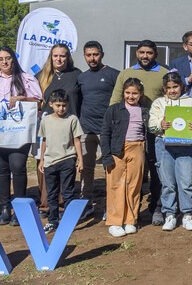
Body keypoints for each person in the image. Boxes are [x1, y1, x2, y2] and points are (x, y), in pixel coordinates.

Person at [111, 40, 169, 224]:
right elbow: (114, 103)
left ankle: (156, 207)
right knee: (129, 174)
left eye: (149, 53)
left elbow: (171, 99)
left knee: (156, 169)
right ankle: (124, 211)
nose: (145, 56)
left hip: (156, 131)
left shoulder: (164, 74)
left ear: (155, 54)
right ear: (137, 53)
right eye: (142, 52)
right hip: (130, 132)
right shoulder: (126, 74)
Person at [0, 45, 42, 226]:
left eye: (8, 58)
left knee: (17, 167)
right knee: (1, 169)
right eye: (0, 59)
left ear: (14, 59)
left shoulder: (26, 78)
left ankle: (19, 208)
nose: (4, 62)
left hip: (19, 131)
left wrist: (22, 98)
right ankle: (4, 208)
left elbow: (39, 102)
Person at [148, 72, 192, 232]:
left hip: (185, 145)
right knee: (167, 183)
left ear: (181, 87)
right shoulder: (158, 103)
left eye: (175, 87)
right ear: (164, 89)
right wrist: (161, 124)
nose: (172, 91)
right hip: (164, 145)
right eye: (169, 88)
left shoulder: (191, 102)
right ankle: (170, 214)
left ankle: (187, 214)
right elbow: (151, 126)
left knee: (186, 181)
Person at [36, 44, 83, 211]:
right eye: (55, 55)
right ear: (51, 57)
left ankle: (65, 204)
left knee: (66, 166)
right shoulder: (41, 76)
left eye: (62, 56)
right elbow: (33, 99)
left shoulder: (76, 75)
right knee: (46, 166)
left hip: (69, 128)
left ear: (68, 57)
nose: (59, 59)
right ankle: (47, 204)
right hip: (48, 128)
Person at [77, 41, 120, 221]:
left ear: (102, 54)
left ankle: (110, 207)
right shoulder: (82, 77)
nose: (92, 58)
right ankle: (86, 205)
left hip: (106, 130)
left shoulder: (113, 74)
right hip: (86, 130)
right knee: (86, 169)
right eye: (88, 55)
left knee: (109, 168)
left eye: (95, 54)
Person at [101, 78, 148, 237]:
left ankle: (130, 219)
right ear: (123, 93)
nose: (131, 96)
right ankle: (115, 221)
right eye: (128, 93)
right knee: (116, 185)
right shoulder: (114, 110)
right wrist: (106, 156)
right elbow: (105, 133)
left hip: (137, 148)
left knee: (134, 185)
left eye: (134, 93)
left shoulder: (144, 111)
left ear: (140, 94)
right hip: (117, 150)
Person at [38, 89, 84, 233]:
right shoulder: (45, 120)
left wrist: (80, 160)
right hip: (50, 162)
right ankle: (53, 220)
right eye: (58, 105)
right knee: (51, 193)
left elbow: (77, 140)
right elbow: (44, 140)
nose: (61, 108)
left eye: (64, 105)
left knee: (68, 192)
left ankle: (68, 221)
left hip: (67, 160)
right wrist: (41, 160)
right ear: (51, 104)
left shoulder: (72, 119)